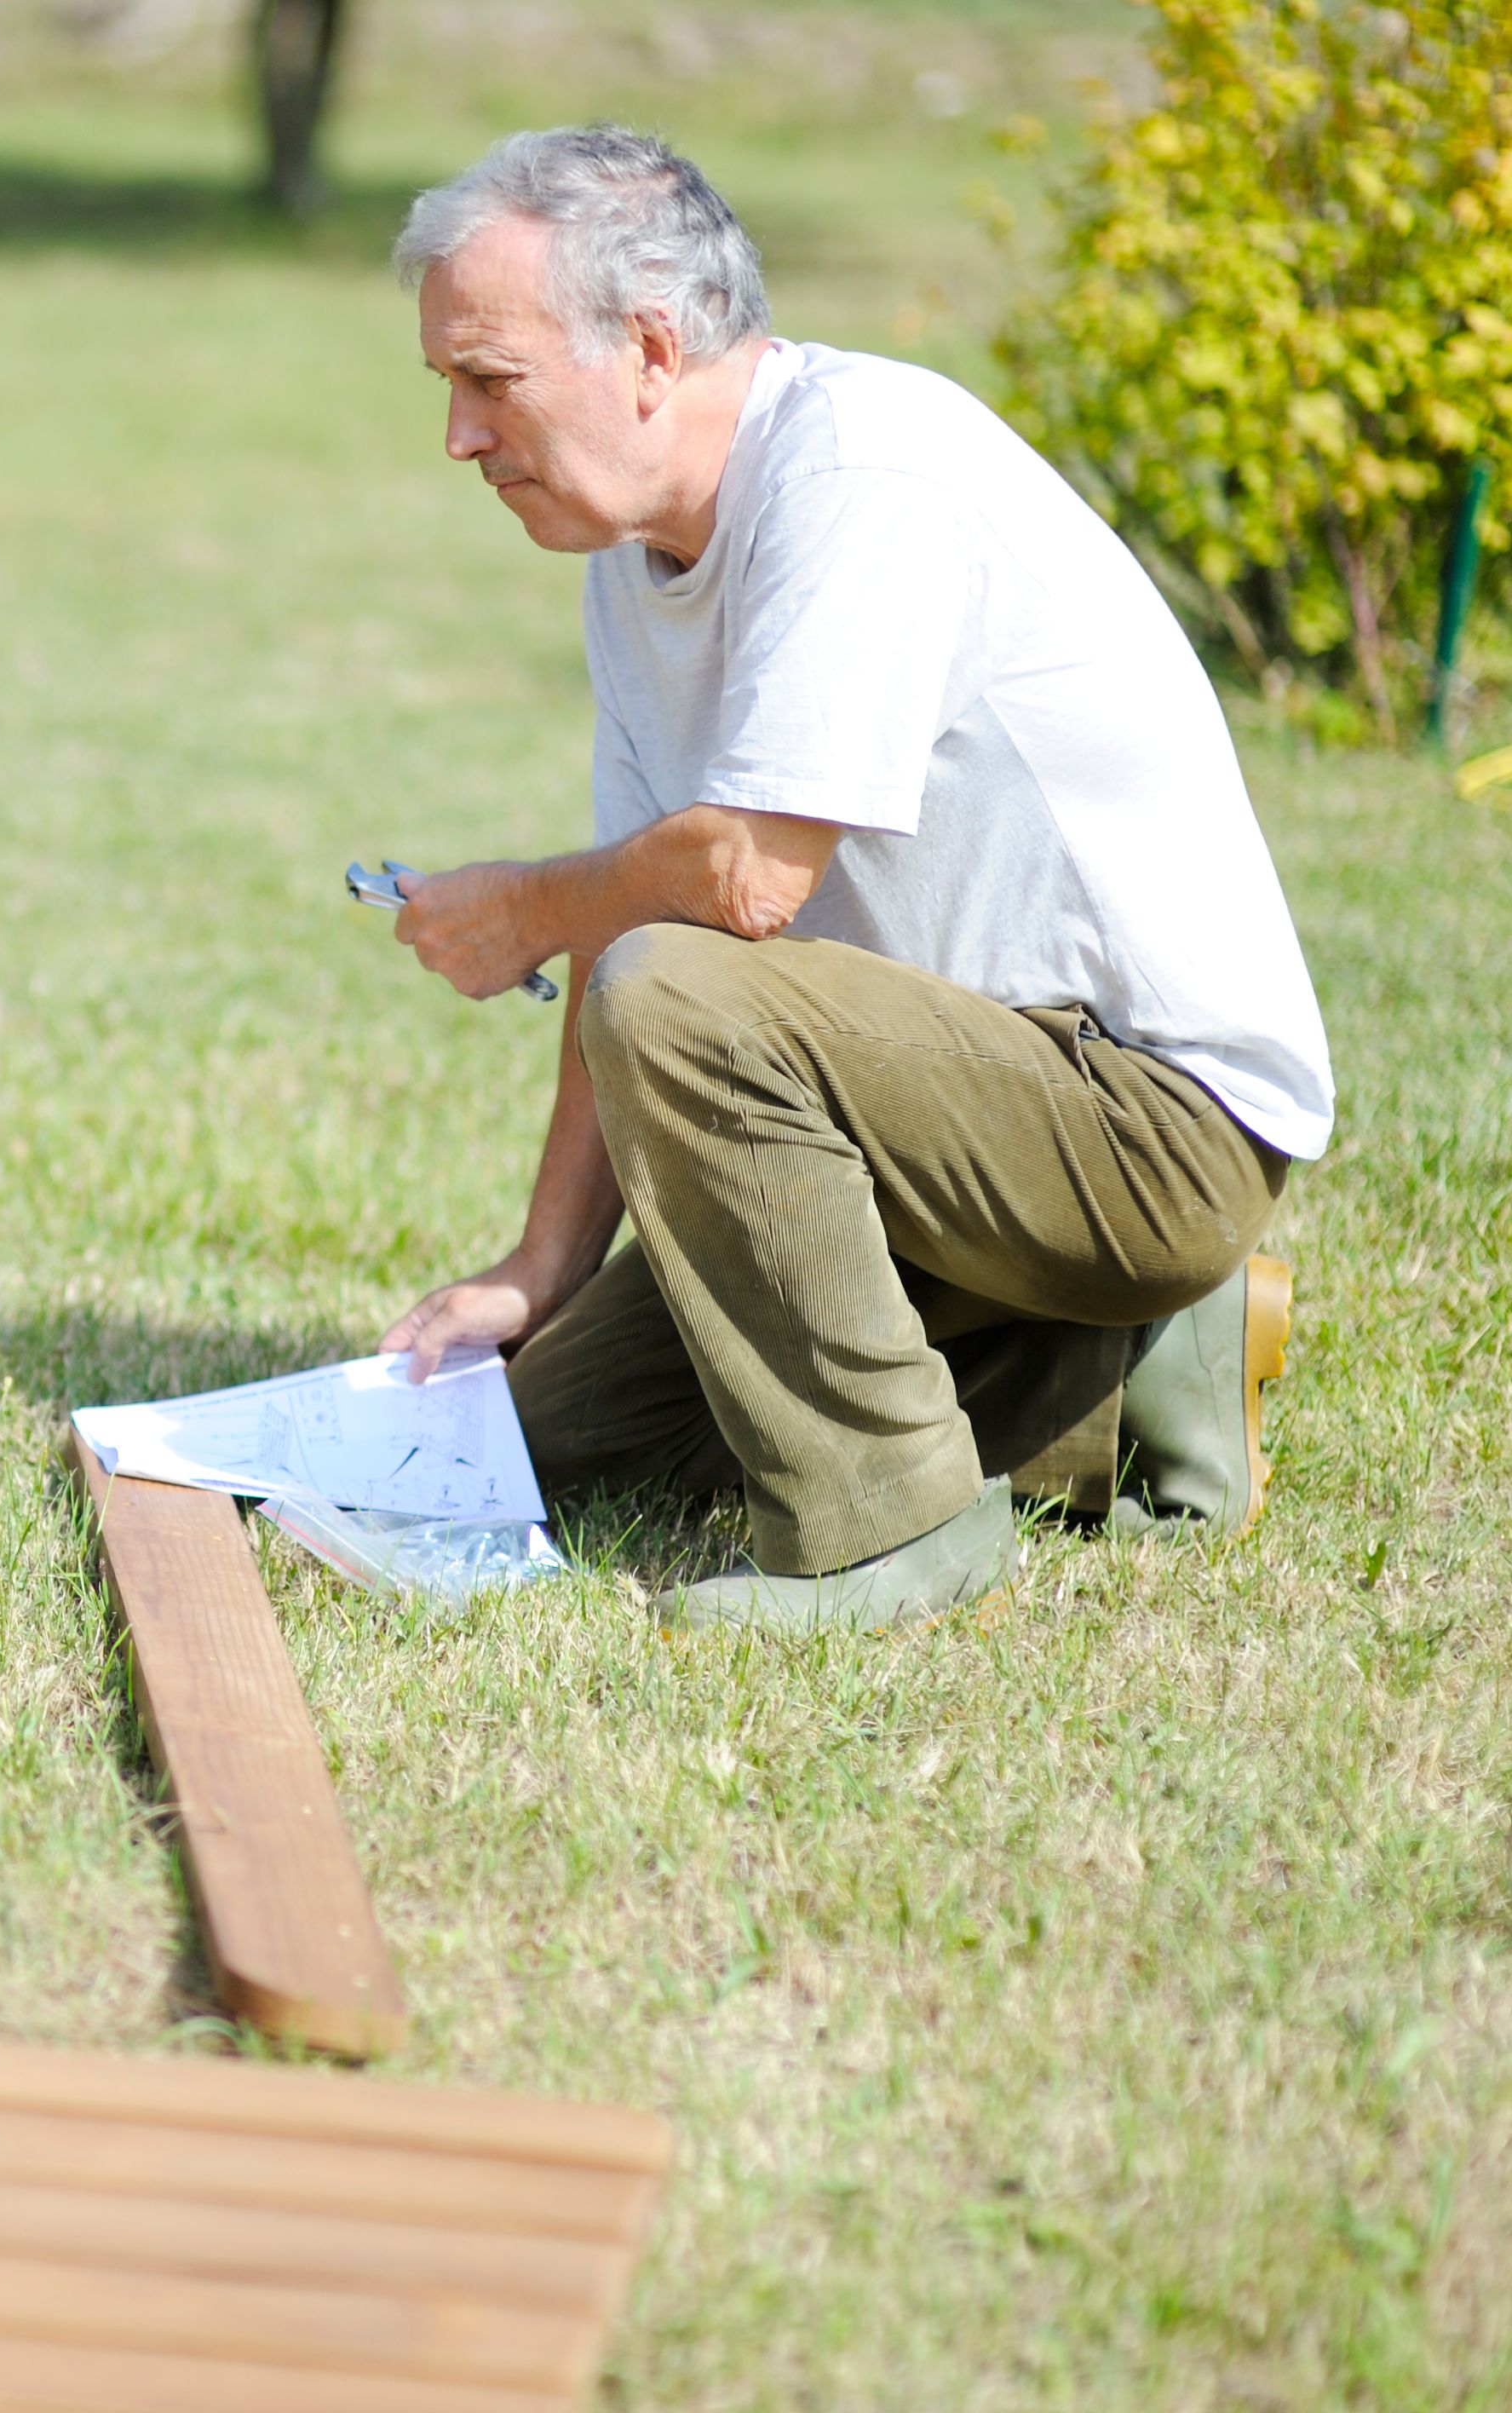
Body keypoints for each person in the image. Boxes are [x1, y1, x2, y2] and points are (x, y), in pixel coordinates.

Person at [371, 125, 1331, 1633]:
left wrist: (526, 911)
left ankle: (899, 1521)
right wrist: (536, 1268)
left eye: (487, 380)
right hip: (931, 1122)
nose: (460, 438)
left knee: (666, 984)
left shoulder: (863, 469)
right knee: (540, 1440)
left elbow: (739, 887)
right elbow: (646, 904)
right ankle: (1128, 1366)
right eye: (449, 389)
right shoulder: (630, 563)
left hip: (1149, 1121)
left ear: (647, 346)